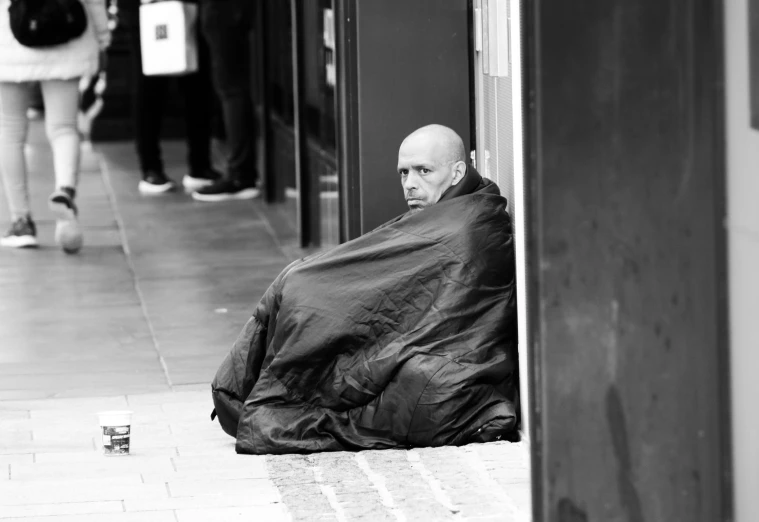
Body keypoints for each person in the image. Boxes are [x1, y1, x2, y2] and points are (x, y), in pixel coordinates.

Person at [211, 124, 519, 455]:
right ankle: (244, 392)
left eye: (423, 171)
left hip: (453, 362)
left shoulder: (470, 223)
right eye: (403, 172)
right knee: (300, 282)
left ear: (458, 171)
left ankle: (248, 395)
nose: (410, 184)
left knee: (306, 291)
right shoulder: (450, 212)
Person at [0, 0, 111, 252]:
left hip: (9, 36)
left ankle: (21, 221)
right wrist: (102, 36)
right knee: (64, 128)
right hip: (66, 32)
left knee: (10, 131)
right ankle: (64, 190)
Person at [124, 0, 221, 194]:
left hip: (191, 8)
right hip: (146, 8)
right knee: (150, 89)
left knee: (198, 87)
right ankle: (151, 168)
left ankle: (200, 165)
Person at [192, 0, 260, 202]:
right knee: (232, 89)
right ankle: (241, 173)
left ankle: (240, 175)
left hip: (224, 10)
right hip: (228, 11)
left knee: (231, 89)